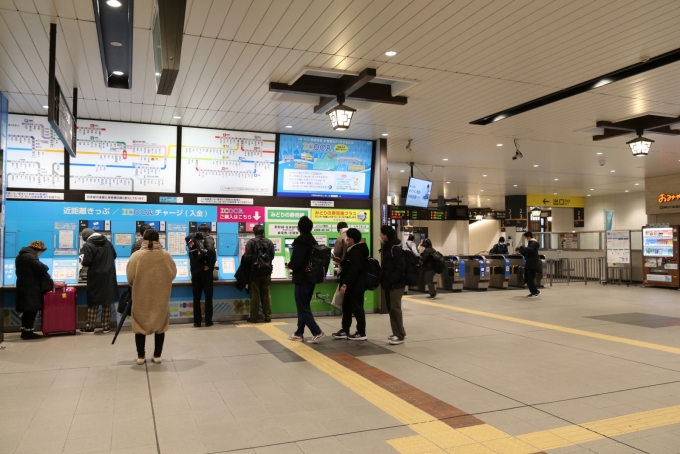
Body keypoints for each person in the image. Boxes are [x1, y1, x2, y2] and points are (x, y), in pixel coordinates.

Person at [126, 229, 177, 364]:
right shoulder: (165, 256)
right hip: (161, 296)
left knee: (140, 325)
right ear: (158, 240)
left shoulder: (136, 256)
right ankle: (157, 355)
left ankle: (141, 356)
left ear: (143, 239)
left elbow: (130, 278)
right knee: (160, 325)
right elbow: (173, 273)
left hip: (140, 296)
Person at [287, 216, 325, 343]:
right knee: (304, 306)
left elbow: (296, 261)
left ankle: (317, 331)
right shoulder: (313, 241)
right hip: (311, 278)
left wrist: (290, 265)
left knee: (302, 307)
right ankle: (299, 333)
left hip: (301, 279)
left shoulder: (300, 242)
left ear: (299, 228)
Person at [333, 228, 369, 341]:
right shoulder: (353, 250)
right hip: (351, 285)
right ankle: (345, 329)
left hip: (356, 286)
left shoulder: (356, 251)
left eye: (347, 238)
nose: (346, 240)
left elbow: (354, 270)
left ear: (351, 239)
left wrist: (345, 284)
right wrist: (341, 262)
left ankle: (361, 332)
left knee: (357, 309)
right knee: (347, 307)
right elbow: (349, 266)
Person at [79, 228, 118, 334]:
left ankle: (90, 327)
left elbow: (86, 261)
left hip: (95, 276)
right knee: (107, 301)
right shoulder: (107, 243)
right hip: (109, 275)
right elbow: (114, 255)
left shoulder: (88, 245)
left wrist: (81, 258)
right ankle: (106, 326)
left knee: (93, 301)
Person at [15, 240, 52, 340]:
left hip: (23, 286)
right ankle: (29, 332)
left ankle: (24, 330)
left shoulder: (20, 256)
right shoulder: (31, 257)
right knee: (31, 310)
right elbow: (42, 268)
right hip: (31, 288)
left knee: (26, 311)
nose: (40, 254)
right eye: (41, 251)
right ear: (37, 250)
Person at [379, 226, 406, 345]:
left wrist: (391, 280)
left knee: (395, 309)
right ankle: (398, 332)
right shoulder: (388, 247)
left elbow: (400, 267)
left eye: (382, 234)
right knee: (392, 309)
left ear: (386, 235)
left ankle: (399, 335)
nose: (380, 236)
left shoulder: (394, 248)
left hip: (396, 284)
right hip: (389, 283)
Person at [245, 225, 275, 323]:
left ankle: (253, 317)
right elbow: (272, 256)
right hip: (266, 271)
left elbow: (247, 257)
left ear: (254, 232)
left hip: (255, 272)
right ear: (263, 232)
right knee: (266, 294)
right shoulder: (269, 242)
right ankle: (268, 316)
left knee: (255, 295)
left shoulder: (251, 242)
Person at [189, 224, 216, 327]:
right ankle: (208, 321)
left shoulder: (192, 239)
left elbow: (191, 255)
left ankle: (197, 322)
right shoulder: (209, 238)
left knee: (196, 297)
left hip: (195, 272)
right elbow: (212, 253)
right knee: (208, 297)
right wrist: (209, 266)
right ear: (207, 231)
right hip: (206, 272)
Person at [330, 222, 349, 310]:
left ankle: (345, 309)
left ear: (339, 229)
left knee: (344, 290)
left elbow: (336, 254)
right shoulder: (355, 235)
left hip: (344, 268)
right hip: (356, 270)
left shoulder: (340, 237)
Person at [517, 231, 541, 298]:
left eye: (526, 237)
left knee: (530, 279)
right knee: (530, 279)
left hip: (531, 264)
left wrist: (522, 247)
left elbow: (530, 250)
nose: (526, 239)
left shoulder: (533, 243)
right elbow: (529, 253)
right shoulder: (532, 243)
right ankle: (535, 290)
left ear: (528, 237)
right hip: (531, 264)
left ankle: (534, 292)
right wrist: (522, 252)